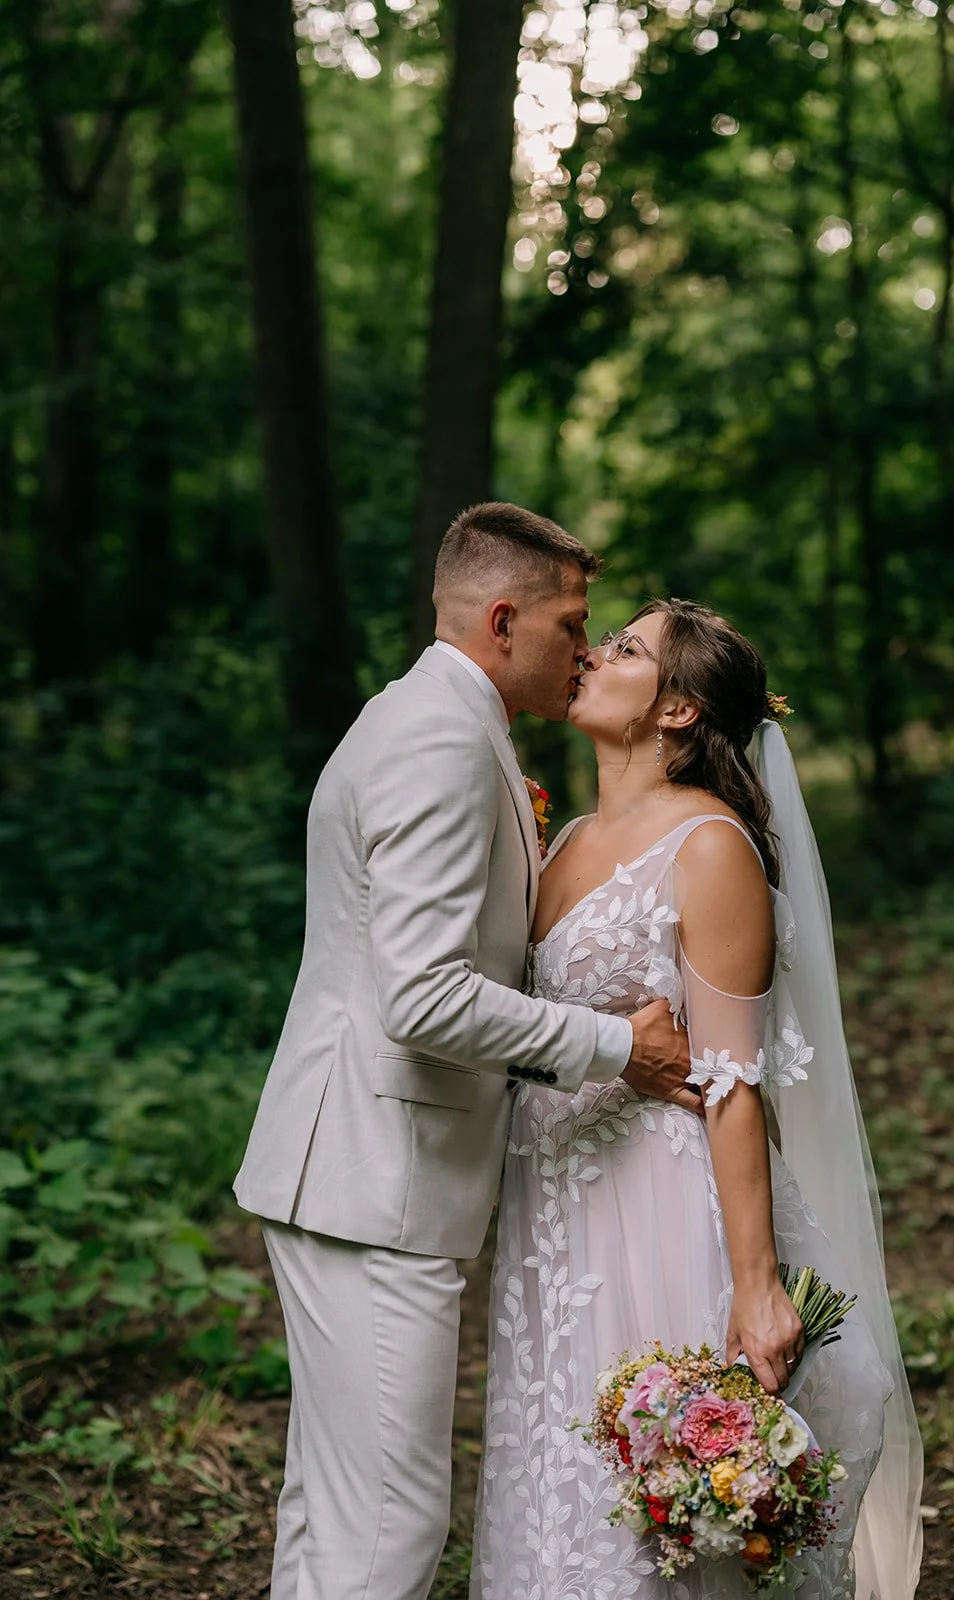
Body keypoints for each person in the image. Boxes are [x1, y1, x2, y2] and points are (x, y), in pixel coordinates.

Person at [233, 505, 702, 1600]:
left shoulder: (427, 717)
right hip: (372, 1181)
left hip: (358, 1170)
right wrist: (616, 1045)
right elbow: (423, 996)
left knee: (338, 1510)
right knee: (389, 1524)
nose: (582, 649)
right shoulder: (440, 740)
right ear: (502, 620)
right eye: (570, 623)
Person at [471, 600, 924, 1600]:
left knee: (662, 1513)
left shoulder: (710, 846)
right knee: (559, 1480)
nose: (593, 653)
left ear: (676, 708)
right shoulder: (565, 839)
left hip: (658, 1210)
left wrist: (756, 1286)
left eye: (625, 648)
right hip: (555, 1210)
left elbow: (730, 1080)